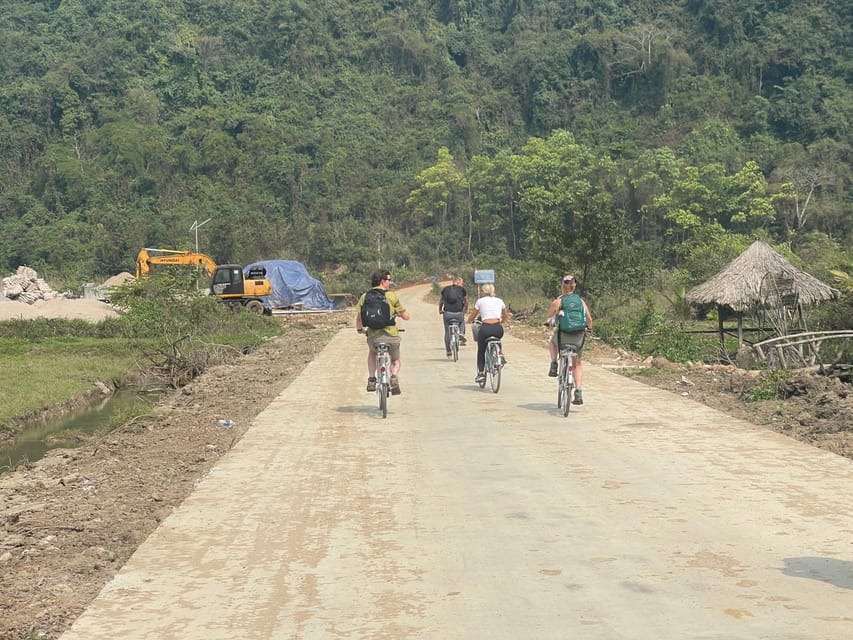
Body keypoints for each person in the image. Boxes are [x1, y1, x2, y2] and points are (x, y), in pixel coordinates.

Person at [355, 269, 410, 395]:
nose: (390, 283)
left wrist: (360, 329)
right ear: (382, 281)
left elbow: (359, 318)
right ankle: (394, 377)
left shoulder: (365, 296)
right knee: (395, 359)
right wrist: (401, 315)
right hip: (391, 336)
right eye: (389, 280)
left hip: (374, 337)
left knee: (372, 353)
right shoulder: (391, 296)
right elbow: (406, 316)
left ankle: (372, 378)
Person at [546, 274, 592, 405]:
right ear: (574, 286)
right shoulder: (580, 301)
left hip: (563, 336)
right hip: (579, 336)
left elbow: (549, 319)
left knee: (552, 343)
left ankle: (554, 364)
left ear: (562, 286)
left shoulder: (558, 302)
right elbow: (589, 320)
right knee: (577, 363)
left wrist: (550, 323)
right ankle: (578, 391)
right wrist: (589, 329)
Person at [467, 282, 509, 384]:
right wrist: (501, 322)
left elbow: (473, 315)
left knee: (481, 350)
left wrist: (468, 321)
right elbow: (506, 316)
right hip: (497, 328)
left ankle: (481, 373)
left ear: (483, 292)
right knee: (497, 339)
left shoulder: (480, 301)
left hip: (485, 328)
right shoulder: (500, 301)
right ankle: (500, 354)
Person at [438, 275, 468, 356]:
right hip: (459, 314)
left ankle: (448, 351)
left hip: (447, 314)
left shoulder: (445, 289)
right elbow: (466, 302)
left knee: (447, 331)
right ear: (459, 282)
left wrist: (440, 310)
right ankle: (461, 333)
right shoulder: (462, 290)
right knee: (462, 322)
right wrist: (465, 310)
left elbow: (441, 301)